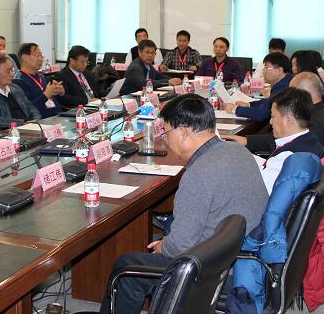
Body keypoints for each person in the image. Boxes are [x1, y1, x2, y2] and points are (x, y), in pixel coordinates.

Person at [99, 94, 268, 314]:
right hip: (244, 259)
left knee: (127, 267)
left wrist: (163, 246)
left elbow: (180, 247)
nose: (166, 140)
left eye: (167, 133)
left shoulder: (199, 173)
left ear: (184, 132)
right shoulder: (237, 150)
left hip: (215, 271)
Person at [224, 73, 324, 154]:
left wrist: (248, 142)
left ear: (302, 94)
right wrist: (248, 141)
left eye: (291, 90)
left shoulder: (314, 122)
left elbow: (284, 144)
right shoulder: (320, 112)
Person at [253, 87, 324, 194]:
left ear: (289, 121)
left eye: (273, 117)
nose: (271, 122)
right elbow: (270, 165)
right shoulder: (310, 141)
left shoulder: (287, 157)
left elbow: (258, 191)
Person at [224, 52, 292, 122]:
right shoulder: (285, 82)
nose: (263, 72)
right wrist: (249, 104)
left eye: (266, 68)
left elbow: (261, 113)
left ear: (279, 70)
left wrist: (234, 109)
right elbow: (268, 102)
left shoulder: (283, 87)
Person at [13, 43, 65, 118]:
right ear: (24, 58)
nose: (40, 59)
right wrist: (46, 95)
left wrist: (60, 93)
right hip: (40, 121)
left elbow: (53, 102)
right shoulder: (18, 81)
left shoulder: (41, 77)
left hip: (57, 117)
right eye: (36, 55)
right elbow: (26, 110)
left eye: (41, 56)